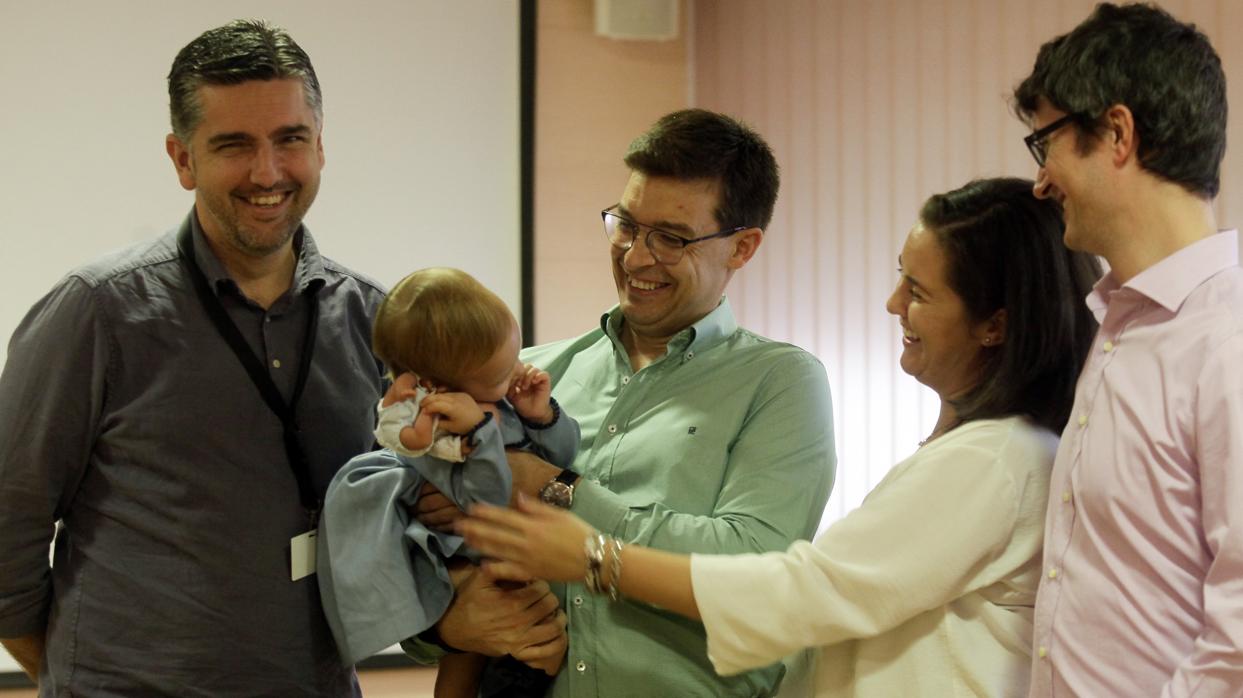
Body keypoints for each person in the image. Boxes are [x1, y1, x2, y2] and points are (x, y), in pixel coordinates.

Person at [0, 20, 563, 696]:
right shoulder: (98, 312)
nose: (267, 173)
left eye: (289, 140)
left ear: (319, 147)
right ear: (182, 159)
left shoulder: (378, 322)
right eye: (233, 145)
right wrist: (68, 672)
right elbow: (11, 519)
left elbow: (413, 517)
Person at [460, 177, 1104, 697]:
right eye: (627, 226)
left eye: (919, 290)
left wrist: (595, 553)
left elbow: (800, 588)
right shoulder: (535, 374)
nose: (891, 303)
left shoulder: (992, 458)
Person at [411, 108, 838, 696]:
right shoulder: (530, 373)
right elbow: (420, 537)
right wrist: (447, 621)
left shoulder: (781, 384)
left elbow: (751, 564)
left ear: (742, 247)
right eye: (626, 224)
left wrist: (557, 486)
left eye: (671, 238)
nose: (636, 257)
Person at [1012, 3, 1243, 695]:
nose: (1040, 180)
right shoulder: (1117, 320)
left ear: (1115, 133)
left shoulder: (1226, 338)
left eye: (1044, 143)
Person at [317, 267, 574, 697]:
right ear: (438, 387)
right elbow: (488, 499)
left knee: (522, 650)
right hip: (468, 559)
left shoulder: (497, 402)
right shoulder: (435, 430)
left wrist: (542, 417)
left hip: (503, 550)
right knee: (496, 655)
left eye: (513, 358)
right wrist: (480, 435)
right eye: (499, 373)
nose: (515, 374)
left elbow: (562, 458)